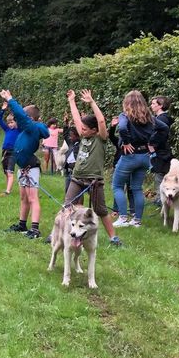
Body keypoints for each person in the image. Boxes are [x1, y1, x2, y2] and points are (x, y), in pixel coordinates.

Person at [65, 89, 123, 247]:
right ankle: (61, 234)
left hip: (94, 181)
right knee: (67, 207)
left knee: (101, 210)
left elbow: (102, 121)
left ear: (94, 130)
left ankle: (113, 238)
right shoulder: (84, 137)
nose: (81, 130)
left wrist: (91, 102)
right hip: (77, 178)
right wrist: (72, 101)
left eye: (85, 128)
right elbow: (77, 118)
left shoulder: (100, 139)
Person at [0, 89, 49, 239]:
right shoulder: (26, 129)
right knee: (24, 198)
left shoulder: (32, 128)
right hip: (23, 168)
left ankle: (35, 230)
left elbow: (20, 114)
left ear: (29, 118)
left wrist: (10, 99)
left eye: (23, 117)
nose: (19, 119)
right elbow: (19, 115)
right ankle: (22, 224)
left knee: (33, 198)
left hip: (31, 167)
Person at [112, 90, 159, 228]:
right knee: (137, 188)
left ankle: (123, 218)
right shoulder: (149, 117)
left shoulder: (124, 115)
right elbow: (164, 129)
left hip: (129, 156)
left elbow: (121, 128)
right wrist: (152, 143)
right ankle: (137, 220)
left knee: (117, 186)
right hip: (145, 156)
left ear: (127, 103)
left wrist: (126, 142)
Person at [149, 95, 174, 204]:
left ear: (161, 106)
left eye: (154, 104)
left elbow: (161, 135)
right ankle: (160, 199)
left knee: (160, 175)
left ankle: (161, 200)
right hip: (160, 151)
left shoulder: (162, 119)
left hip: (161, 152)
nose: (151, 106)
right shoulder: (162, 118)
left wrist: (152, 145)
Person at [0, 101, 20, 196]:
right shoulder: (7, 129)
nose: (10, 124)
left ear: (16, 122)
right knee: (6, 172)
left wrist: (14, 109)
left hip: (13, 152)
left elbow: (20, 118)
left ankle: (8, 191)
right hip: (4, 152)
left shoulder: (19, 130)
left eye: (12, 122)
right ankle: (8, 187)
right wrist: (3, 109)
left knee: (10, 172)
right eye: (9, 122)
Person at [61, 125, 80, 196]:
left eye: (71, 136)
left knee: (77, 191)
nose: (69, 137)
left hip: (76, 171)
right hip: (69, 170)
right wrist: (65, 124)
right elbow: (65, 135)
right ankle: (68, 204)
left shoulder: (80, 145)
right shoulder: (71, 143)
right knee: (67, 189)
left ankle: (78, 206)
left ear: (77, 136)